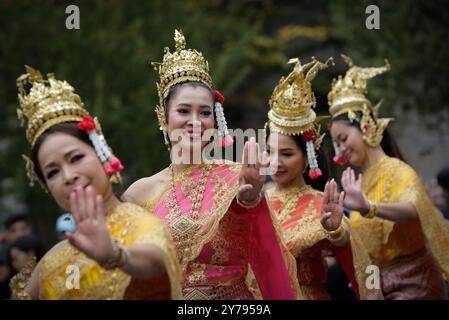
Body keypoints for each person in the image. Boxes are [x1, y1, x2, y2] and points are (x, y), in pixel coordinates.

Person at [123, 30, 298, 300]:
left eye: (205, 113)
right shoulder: (139, 194)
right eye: (183, 111)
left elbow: (266, 256)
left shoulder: (234, 178)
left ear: (215, 122)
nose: (195, 121)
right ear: (163, 118)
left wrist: (251, 203)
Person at [9, 66, 182, 300]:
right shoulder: (51, 263)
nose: (68, 175)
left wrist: (115, 255)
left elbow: (154, 261)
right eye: (52, 172)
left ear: (103, 155)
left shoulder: (142, 225)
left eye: (76, 158)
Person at [328, 55, 449, 299]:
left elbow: (415, 208)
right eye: (336, 143)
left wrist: (368, 207)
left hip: (416, 282)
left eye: (343, 139)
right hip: (378, 286)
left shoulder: (396, 170)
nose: (340, 149)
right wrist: (335, 228)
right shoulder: (360, 182)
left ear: (366, 128)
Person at [263, 57, 381, 299]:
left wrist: (337, 232)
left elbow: (357, 263)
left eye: (286, 154)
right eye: (269, 151)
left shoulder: (323, 205)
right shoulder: (256, 201)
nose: (275, 161)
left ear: (307, 159)